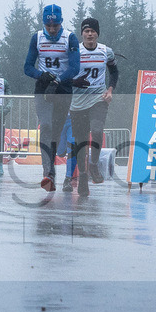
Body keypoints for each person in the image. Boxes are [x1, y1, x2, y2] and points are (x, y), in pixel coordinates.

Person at [23, 4, 81, 192]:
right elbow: (27, 67)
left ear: (60, 23)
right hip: (43, 88)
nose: (52, 30)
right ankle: (48, 173)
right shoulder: (37, 38)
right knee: (46, 127)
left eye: (55, 26)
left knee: (55, 132)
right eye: (48, 26)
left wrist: (58, 79)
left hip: (63, 88)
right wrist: (41, 75)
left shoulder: (70, 38)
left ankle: (54, 170)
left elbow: (75, 67)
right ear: (43, 24)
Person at [61, 17, 118, 197]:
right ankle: (83, 177)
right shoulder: (74, 51)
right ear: (82, 34)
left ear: (97, 33)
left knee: (97, 129)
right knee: (80, 143)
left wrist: (110, 90)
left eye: (93, 31)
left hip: (98, 99)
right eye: (86, 31)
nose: (90, 34)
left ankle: (94, 164)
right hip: (78, 104)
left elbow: (114, 71)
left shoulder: (105, 51)